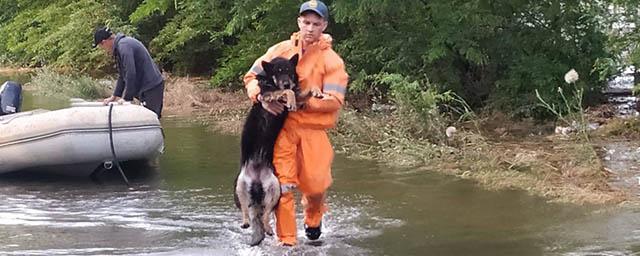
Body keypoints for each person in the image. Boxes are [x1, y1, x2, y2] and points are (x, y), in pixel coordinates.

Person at [243, 0, 348, 246]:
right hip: (282, 130)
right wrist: (261, 98)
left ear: (324, 25)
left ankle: (313, 217)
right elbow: (251, 77)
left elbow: (335, 100)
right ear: (299, 22)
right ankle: (287, 242)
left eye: (315, 23)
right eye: (306, 22)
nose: (310, 28)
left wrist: (307, 102)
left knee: (315, 186)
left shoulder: (332, 61)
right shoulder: (278, 50)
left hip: (313, 131)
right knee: (284, 186)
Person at [93, 26, 165, 118]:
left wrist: (126, 98)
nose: (104, 50)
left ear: (104, 42)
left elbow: (130, 72)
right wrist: (114, 96)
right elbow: (122, 76)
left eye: (101, 46)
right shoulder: (119, 47)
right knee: (144, 118)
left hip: (152, 86)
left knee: (151, 118)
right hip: (145, 88)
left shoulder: (124, 46)